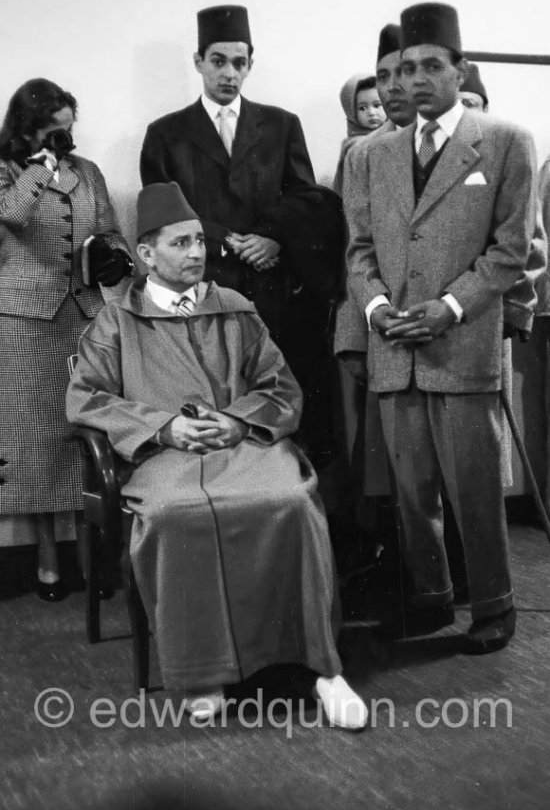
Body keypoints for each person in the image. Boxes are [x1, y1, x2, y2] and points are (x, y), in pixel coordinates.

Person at [66, 181, 368, 729]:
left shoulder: (236, 308)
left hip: (245, 445)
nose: (197, 253)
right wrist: (164, 427)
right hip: (165, 460)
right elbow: (86, 398)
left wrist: (235, 420)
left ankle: (324, 667)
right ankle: (203, 674)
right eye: (180, 244)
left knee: (292, 501)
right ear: (146, 255)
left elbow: (281, 387)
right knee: (169, 515)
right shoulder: (116, 322)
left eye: (200, 241)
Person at [344, 2, 538, 653]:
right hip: (394, 348)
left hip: (462, 344)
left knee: (474, 488)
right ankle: (428, 599)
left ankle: (494, 603)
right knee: (412, 491)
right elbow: (359, 250)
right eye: (406, 67)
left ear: (460, 69)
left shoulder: (506, 141)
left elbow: (511, 251)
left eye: (432, 65)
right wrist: (375, 311)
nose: (416, 79)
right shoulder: (371, 153)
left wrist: (449, 307)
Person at [140, 5, 344, 473]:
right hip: (206, 285)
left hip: (274, 291)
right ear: (198, 62)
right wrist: (228, 240)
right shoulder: (166, 134)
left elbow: (305, 198)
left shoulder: (280, 124)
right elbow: (162, 211)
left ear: (250, 64)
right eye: (218, 61)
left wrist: (272, 238)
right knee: (215, 397)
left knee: (281, 401)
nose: (229, 73)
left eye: (239, 62)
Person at [0, 78, 132, 601]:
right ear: (28, 129)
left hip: (83, 314)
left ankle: (89, 556)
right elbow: (11, 215)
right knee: (33, 445)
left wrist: (112, 255)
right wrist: (38, 164)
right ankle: (47, 562)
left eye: (68, 132)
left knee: (86, 435)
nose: (65, 143)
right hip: (23, 321)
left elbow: (112, 229)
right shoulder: (9, 172)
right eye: (54, 133)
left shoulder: (89, 173)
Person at [333, 74, 386, 195]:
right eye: (362, 108)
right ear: (351, 111)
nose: (372, 113)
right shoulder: (356, 145)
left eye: (377, 105)